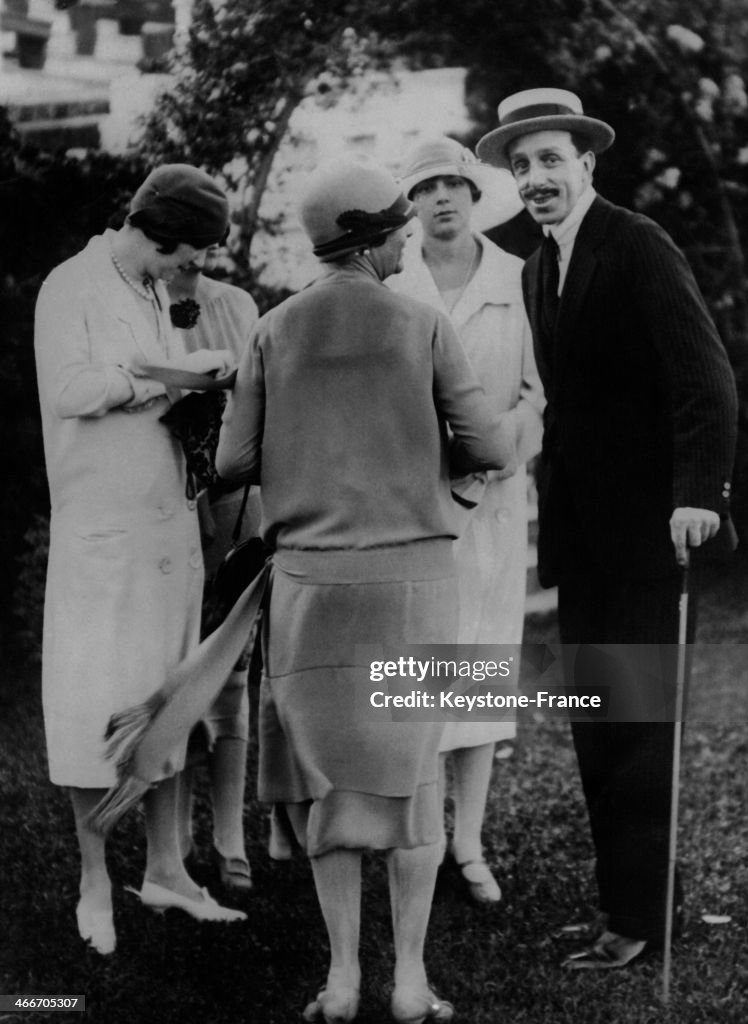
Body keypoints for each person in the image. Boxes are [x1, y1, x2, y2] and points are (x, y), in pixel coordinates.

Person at [216, 154, 516, 1023]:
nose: (406, 241)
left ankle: (343, 978)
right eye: (398, 228)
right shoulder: (420, 324)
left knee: (328, 787)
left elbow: (235, 465)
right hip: (415, 588)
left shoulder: (272, 330)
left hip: (308, 592)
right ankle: (411, 981)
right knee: (413, 785)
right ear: (378, 236)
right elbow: (491, 449)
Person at [477, 88, 738, 968]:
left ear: (586, 162)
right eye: (520, 166)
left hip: (654, 538)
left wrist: (698, 491)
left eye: (550, 159)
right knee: (597, 720)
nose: (535, 177)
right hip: (586, 542)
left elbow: (706, 380)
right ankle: (623, 907)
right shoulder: (536, 265)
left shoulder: (636, 243)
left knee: (636, 731)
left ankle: (637, 920)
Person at [34, 164, 247, 956]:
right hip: (104, 535)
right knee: (95, 704)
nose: (187, 272)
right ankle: (95, 879)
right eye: (183, 255)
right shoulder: (74, 284)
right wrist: (163, 379)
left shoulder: (150, 289)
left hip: (165, 528)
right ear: (154, 234)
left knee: (171, 702)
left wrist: (191, 386)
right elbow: (70, 390)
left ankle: (169, 871)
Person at [389, 136, 544, 904]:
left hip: (491, 502)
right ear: (408, 203)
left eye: (454, 184)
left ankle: (469, 843)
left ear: (473, 194)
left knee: (480, 668)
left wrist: (505, 447)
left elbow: (536, 392)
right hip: (411, 505)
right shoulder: (390, 281)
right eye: (426, 187)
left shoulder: (519, 279)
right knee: (420, 668)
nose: (442, 198)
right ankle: (414, 830)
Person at [167, 251, 261, 891]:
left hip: (232, 497)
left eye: (206, 234)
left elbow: (256, 402)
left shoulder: (237, 306)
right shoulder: (133, 307)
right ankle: (174, 836)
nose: (192, 251)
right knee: (172, 665)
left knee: (231, 665)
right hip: (164, 503)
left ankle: (230, 834)